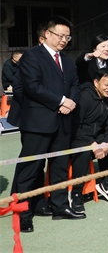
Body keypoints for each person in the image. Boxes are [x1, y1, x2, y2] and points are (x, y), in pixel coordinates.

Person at [9, 16, 83, 232]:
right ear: (48, 34)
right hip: (38, 122)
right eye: (60, 36)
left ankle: (59, 206)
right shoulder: (32, 56)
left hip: (63, 120)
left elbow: (75, 85)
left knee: (59, 166)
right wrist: (61, 101)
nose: (64, 40)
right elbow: (32, 86)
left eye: (67, 37)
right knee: (30, 168)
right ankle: (24, 212)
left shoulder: (67, 61)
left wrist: (71, 102)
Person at [70, 68, 108, 210]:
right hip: (78, 138)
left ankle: (107, 184)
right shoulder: (84, 97)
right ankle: (76, 193)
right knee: (83, 152)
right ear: (96, 83)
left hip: (98, 138)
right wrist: (92, 144)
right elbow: (75, 126)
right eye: (106, 84)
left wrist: (105, 143)